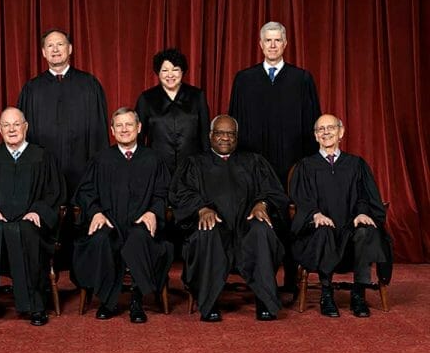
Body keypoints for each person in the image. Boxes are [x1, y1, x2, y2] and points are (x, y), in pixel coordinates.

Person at [229, 21, 321, 291]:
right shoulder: (244, 80)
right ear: (260, 44)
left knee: (291, 219)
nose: (272, 45)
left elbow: (313, 124)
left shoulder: (301, 79)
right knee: (256, 219)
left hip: (291, 163)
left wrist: (305, 166)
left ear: (285, 44)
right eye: (267, 40)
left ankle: (292, 281)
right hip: (254, 166)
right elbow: (233, 126)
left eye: (277, 40)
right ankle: (257, 280)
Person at [169, 115, 289, 322]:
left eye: (230, 134)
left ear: (236, 137)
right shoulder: (195, 164)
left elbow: (274, 192)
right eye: (220, 133)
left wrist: (263, 204)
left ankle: (265, 301)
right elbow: (180, 193)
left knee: (262, 231)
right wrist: (201, 209)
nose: (225, 138)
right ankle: (210, 302)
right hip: (215, 228)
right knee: (207, 232)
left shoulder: (254, 161)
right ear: (210, 136)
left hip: (246, 227)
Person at [0, 107, 66, 327]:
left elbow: (54, 193)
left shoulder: (42, 156)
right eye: (6, 125)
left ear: (25, 127)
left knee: (28, 232)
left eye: (16, 124)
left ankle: (34, 306)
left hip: (29, 223)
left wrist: (37, 210)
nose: (12, 129)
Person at [17, 29, 109, 271]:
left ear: (71, 49)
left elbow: (100, 131)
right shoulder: (32, 89)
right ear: (43, 52)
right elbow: (22, 136)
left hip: (81, 166)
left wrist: (96, 167)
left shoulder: (89, 84)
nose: (55, 49)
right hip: (45, 171)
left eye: (60, 44)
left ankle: (82, 265)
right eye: (50, 45)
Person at [73, 107, 173, 324]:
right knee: (101, 238)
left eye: (129, 124)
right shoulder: (101, 159)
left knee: (139, 237)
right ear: (112, 130)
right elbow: (85, 192)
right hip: (111, 223)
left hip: (141, 224)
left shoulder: (153, 159)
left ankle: (137, 300)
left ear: (138, 128)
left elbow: (164, 193)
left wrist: (153, 212)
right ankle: (108, 301)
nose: (124, 129)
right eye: (119, 125)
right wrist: (96, 213)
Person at [289, 114, 393, 318]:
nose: (326, 132)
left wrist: (362, 213)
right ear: (316, 136)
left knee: (365, 231)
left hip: (350, 231)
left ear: (341, 132)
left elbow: (367, 195)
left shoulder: (356, 165)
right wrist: (315, 214)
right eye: (321, 129)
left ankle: (359, 294)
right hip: (317, 233)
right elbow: (300, 199)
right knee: (324, 230)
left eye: (331, 128)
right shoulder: (306, 166)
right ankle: (326, 294)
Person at [135, 48, 210, 175]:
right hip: (157, 168)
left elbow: (205, 134)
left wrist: (206, 165)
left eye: (175, 69)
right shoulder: (146, 98)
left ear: (182, 71)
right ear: (158, 72)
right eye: (164, 70)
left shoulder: (197, 96)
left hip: (192, 168)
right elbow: (139, 137)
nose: (170, 75)